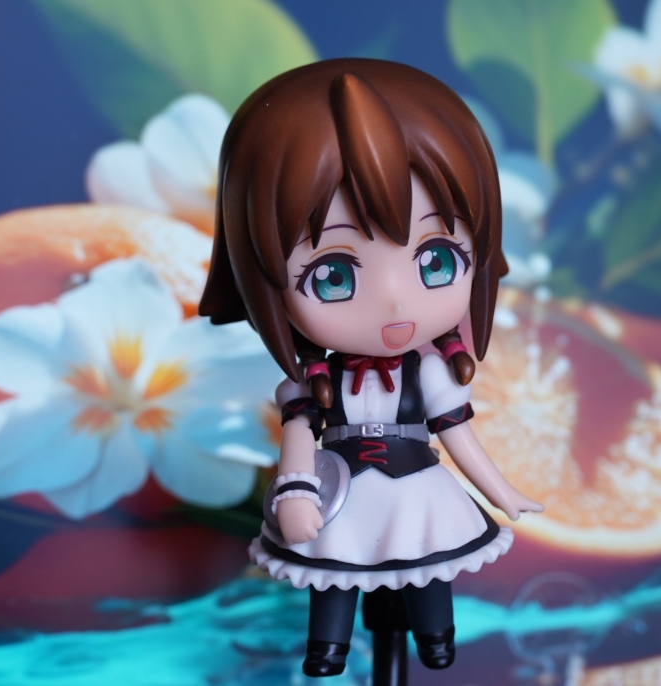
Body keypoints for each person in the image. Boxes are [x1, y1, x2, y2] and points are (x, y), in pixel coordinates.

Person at [199, 58, 543, 678]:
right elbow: (299, 438)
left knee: (428, 565)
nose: (394, 303)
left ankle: (436, 637)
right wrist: (295, 490)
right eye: (332, 275)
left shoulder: (430, 373)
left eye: (436, 260)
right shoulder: (312, 383)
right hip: (344, 492)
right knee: (333, 574)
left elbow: (458, 435)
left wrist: (501, 492)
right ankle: (328, 647)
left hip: (416, 487)